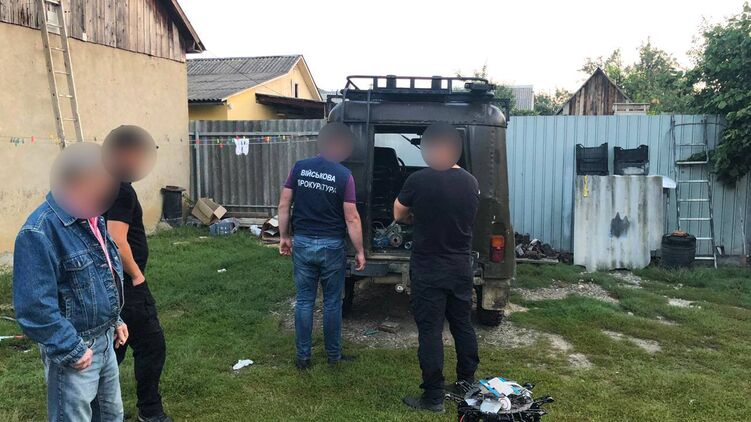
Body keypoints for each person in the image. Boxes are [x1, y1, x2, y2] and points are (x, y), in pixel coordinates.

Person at [13, 143, 128, 422]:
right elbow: (34, 307)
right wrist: (71, 349)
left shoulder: (91, 217)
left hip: (104, 340)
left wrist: (115, 319)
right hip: (77, 348)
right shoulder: (38, 231)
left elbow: (102, 274)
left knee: (112, 415)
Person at [394, 123, 480, 413]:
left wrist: (415, 218)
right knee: (462, 324)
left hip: (428, 267)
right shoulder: (471, 182)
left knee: (430, 331)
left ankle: (433, 398)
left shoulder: (418, 180)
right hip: (460, 266)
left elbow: (398, 213)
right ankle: (466, 383)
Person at [277, 122, 366, 370]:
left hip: (303, 242)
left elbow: (284, 205)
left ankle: (303, 358)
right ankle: (333, 357)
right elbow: (352, 217)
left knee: (304, 301)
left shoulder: (299, 167)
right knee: (332, 303)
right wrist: (360, 251)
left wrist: (284, 236)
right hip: (331, 246)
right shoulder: (344, 175)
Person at [103, 126, 170, 422]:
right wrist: (136, 275)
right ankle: (150, 411)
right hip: (126, 284)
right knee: (151, 345)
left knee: (115, 346)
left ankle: (101, 408)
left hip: (108, 281)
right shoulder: (120, 188)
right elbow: (116, 239)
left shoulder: (104, 182)